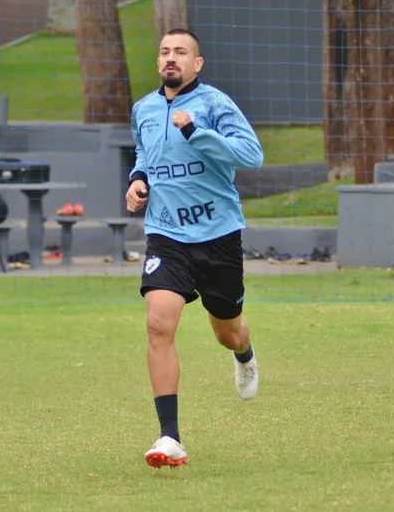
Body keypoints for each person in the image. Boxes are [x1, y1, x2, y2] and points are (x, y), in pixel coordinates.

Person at [126, 28, 264, 468]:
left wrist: (197, 133)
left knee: (227, 331)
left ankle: (244, 355)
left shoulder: (214, 105)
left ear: (197, 63)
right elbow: (144, 155)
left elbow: (251, 155)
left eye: (181, 52)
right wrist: (137, 181)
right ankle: (169, 438)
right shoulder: (144, 109)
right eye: (165, 52)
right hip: (166, 235)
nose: (172, 58)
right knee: (158, 324)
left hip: (218, 235)